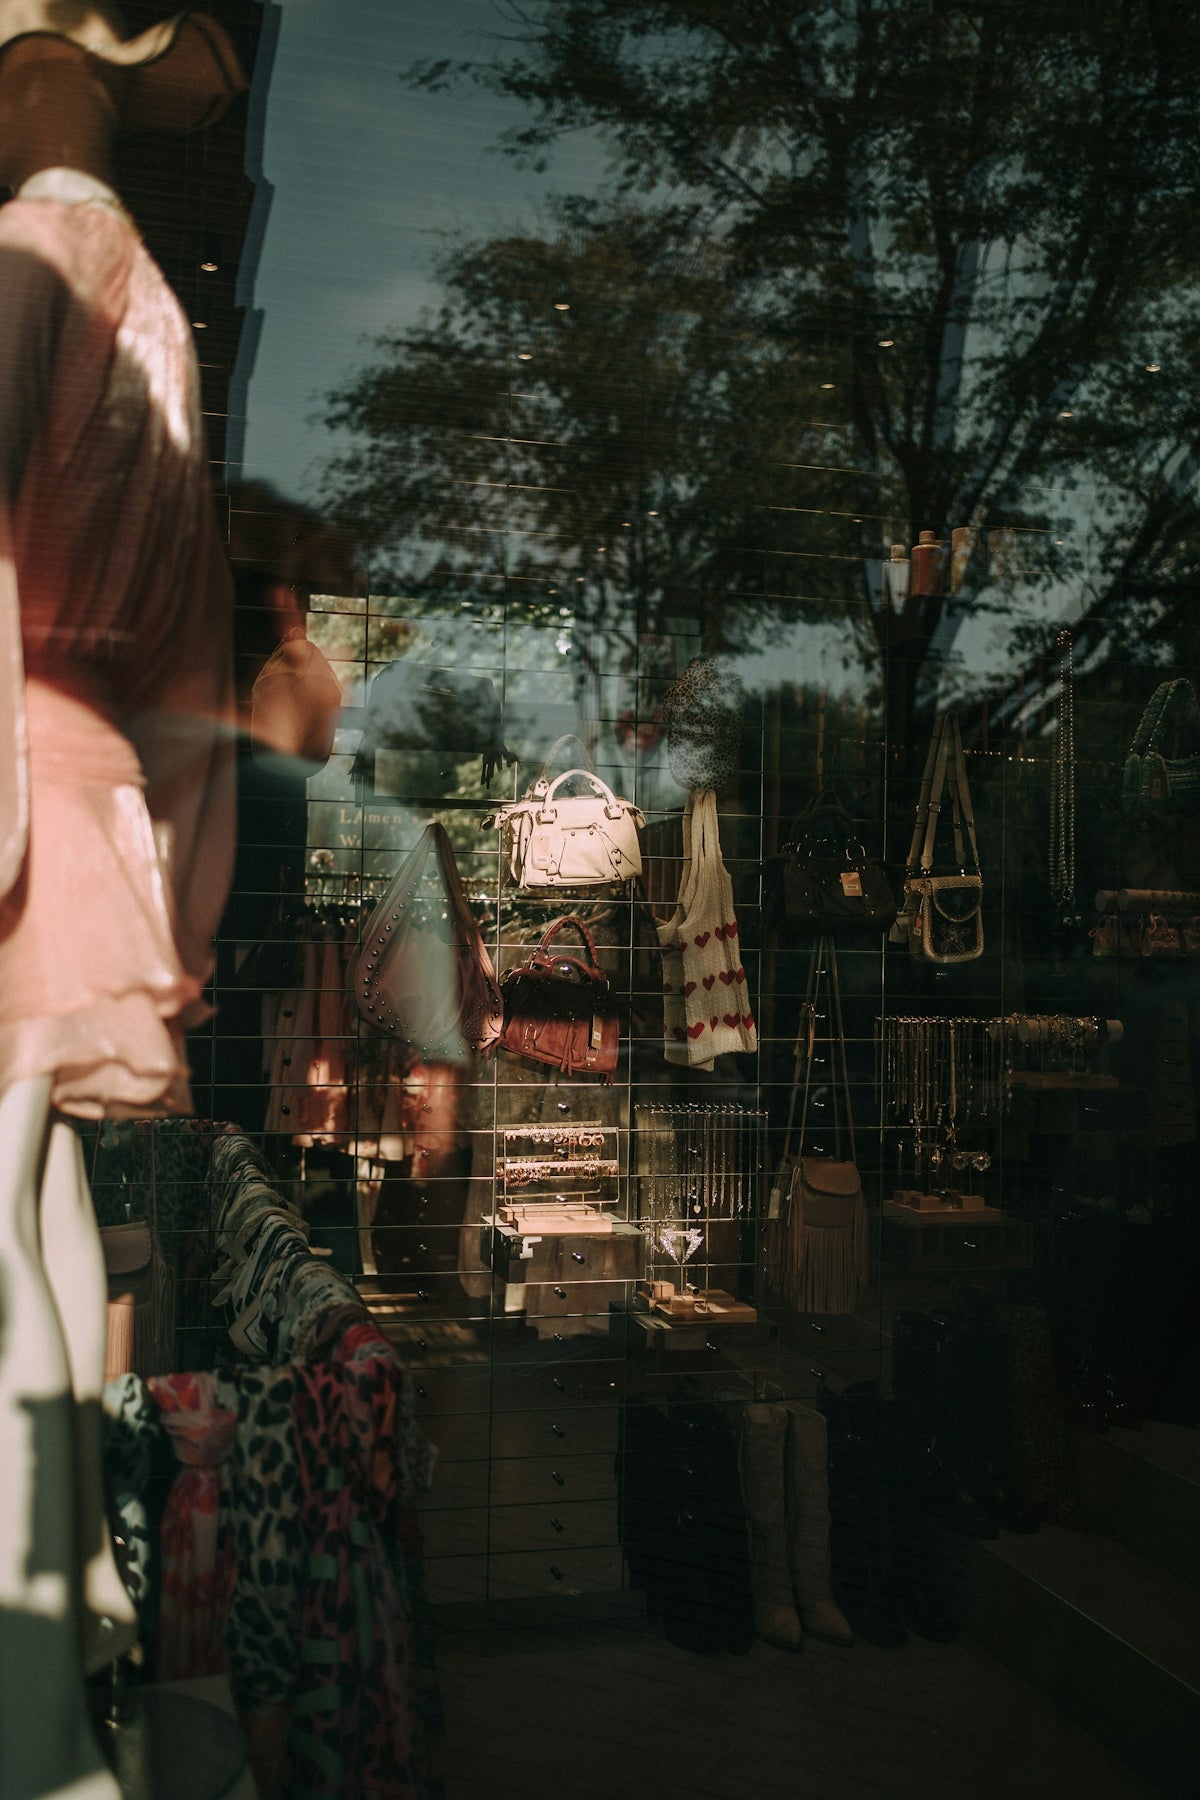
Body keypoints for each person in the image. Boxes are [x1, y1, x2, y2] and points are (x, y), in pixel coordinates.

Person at [0, 7, 247, 1795]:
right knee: (40, 1202)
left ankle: (28, 1724)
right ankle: (77, 1605)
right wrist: (183, 884)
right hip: (82, 807)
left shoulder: (33, 261)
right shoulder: (148, 301)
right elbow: (191, 663)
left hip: (18, 787)